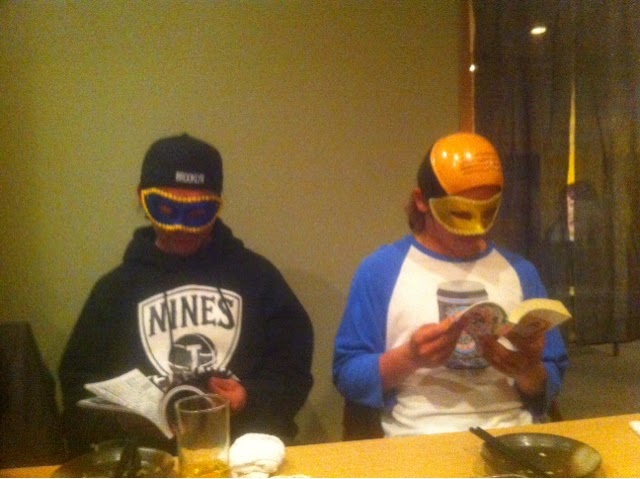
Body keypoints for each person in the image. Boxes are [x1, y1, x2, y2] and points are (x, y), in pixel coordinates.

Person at [59, 133, 314, 456]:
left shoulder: (259, 278)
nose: (180, 227)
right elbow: (78, 388)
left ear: (216, 207)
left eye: (196, 214)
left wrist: (248, 398)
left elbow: (292, 372)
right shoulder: (114, 291)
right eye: (166, 209)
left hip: (243, 457)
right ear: (142, 200)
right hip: (148, 463)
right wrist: (122, 423)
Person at [333, 132, 568, 437]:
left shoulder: (522, 272)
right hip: (417, 439)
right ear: (422, 201)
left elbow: (551, 379)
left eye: (488, 212)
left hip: (514, 436)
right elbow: (347, 375)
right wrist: (410, 357)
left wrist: (528, 371)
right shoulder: (380, 271)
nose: (476, 229)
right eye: (459, 213)